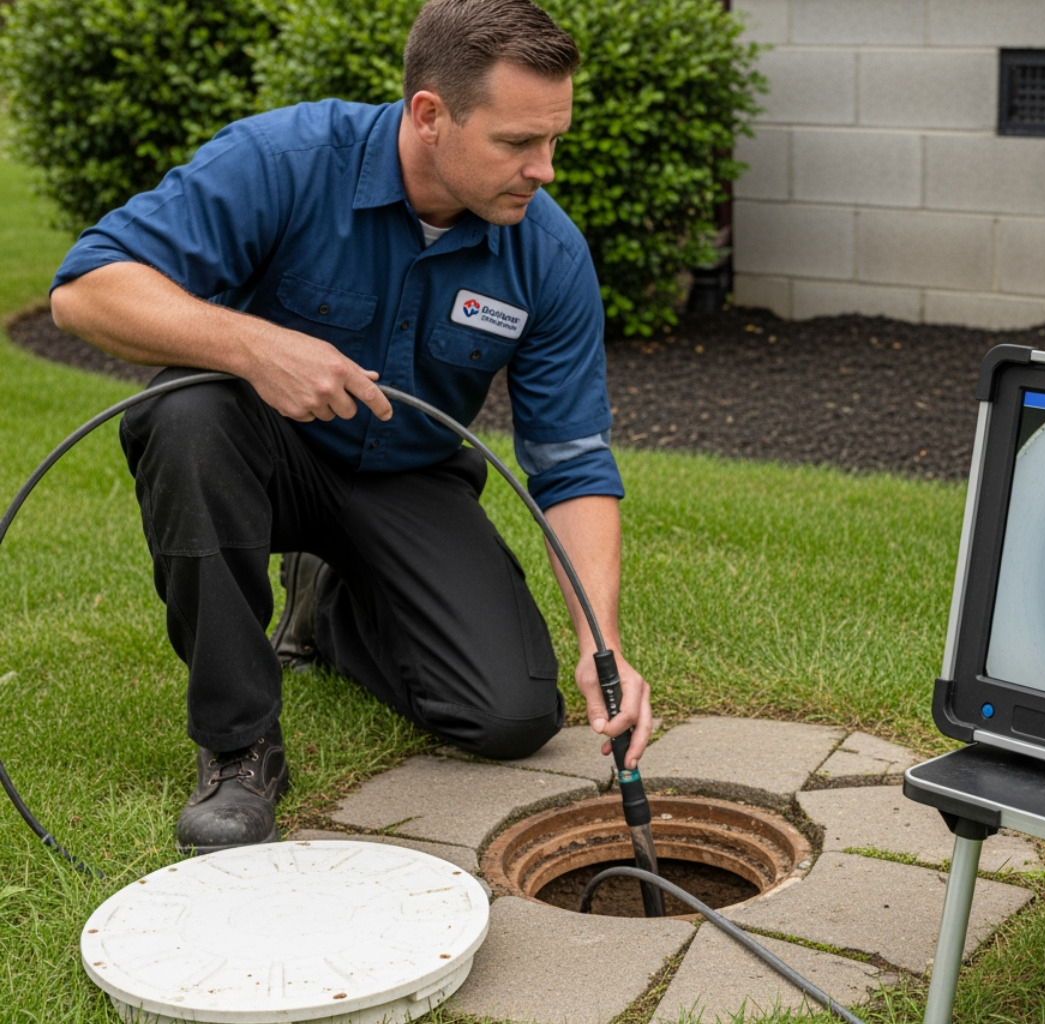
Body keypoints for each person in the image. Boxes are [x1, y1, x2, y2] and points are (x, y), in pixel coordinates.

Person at [47, 0, 652, 855]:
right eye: (517, 143)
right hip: (254, 449)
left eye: (554, 140)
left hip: (408, 477)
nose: (544, 169)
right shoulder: (282, 161)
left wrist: (605, 649)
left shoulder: (546, 255)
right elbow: (86, 290)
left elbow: (572, 466)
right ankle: (238, 744)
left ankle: (330, 612)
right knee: (182, 413)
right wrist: (255, 346)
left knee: (510, 715)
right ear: (429, 115)